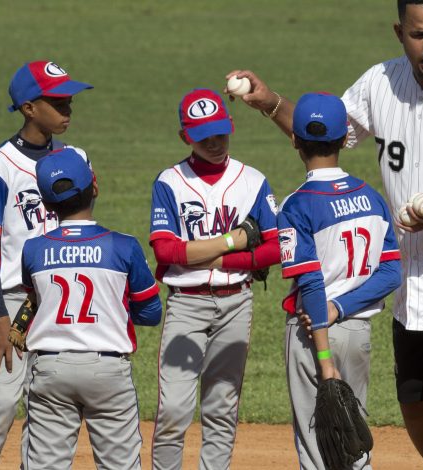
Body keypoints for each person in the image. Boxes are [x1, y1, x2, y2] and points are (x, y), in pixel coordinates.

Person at [227, 1, 423, 467]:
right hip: (412, 277)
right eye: (419, 34)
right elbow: (326, 131)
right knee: (414, 403)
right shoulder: (380, 82)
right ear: (400, 31)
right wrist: (270, 101)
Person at [149, 88, 281, 469]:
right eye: (203, 135)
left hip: (236, 301)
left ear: (232, 126)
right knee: (174, 409)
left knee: (221, 407)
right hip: (186, 304)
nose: (213, 142)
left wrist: (220, 258)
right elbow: (166, 252)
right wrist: (233, 240)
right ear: (184, 137)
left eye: (220, 133)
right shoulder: (170, 182)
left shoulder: (252, 181)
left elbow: (275, 249)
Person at [278, 93, 402, 469]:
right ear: (344, 137)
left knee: (319, 451)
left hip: (314, 333)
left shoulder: (297, 205)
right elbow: (392, 273)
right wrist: (343, 307)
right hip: (358, 332)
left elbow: (312, 284)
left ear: (295, 140)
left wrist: (324, 356)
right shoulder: (372, 199)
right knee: (353, 442)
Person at [19, 148, 162, 469]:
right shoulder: (123, 245)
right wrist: (115, 307)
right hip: (107, 373)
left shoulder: (34, 250)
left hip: (51, 371)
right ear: (93, 186)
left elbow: (37, 301)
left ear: (46, 203)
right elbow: (151, 312)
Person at [0, 60, 92, 468]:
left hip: (60, 302)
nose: (67, 107)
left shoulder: (76, 156)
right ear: (29, 108)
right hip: (13, 302)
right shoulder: (0, 165)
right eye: (57, 100)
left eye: (69, 99)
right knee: (1, 402)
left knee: (47, 405)